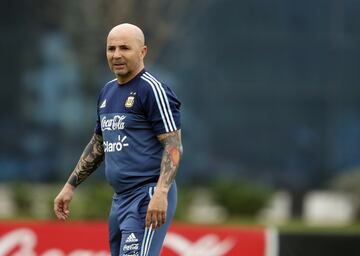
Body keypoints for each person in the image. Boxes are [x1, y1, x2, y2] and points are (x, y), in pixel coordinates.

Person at [54, 23, 182, 256]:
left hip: (148, 196)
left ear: (142, 52)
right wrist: (70, 185)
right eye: (111, 48)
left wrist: (161, 193)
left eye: (125, 48)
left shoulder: (152, 90)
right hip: (120, 200)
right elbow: (99, 143)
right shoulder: (107, 92)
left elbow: (173, 146)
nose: (116, 55)